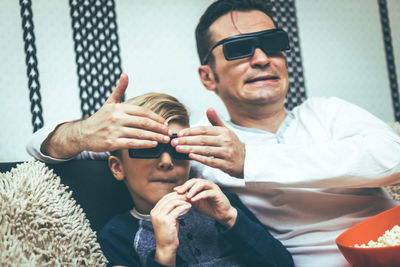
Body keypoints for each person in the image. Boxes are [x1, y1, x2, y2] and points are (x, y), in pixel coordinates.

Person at [26, 0, 400, 266]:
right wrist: (83, 131)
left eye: (272, 44)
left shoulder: (329, 111)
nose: (260, 58)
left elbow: (393, 158)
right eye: (238, 49)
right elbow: (43, 145)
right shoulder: (193, 144)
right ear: (208, 76)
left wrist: (250, 160)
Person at [97, 92, 293, 267]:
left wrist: (231, 218)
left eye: (178, 149)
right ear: (117, 167)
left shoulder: (221, 205)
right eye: (149, 149)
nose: (166, 161)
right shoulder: (116, 237)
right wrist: (164, 252)